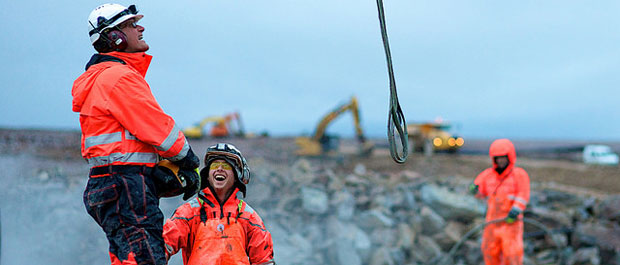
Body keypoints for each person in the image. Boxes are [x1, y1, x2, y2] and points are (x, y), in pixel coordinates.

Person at [72, 4, 200, 265]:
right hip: (126, 185)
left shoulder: (98, 77)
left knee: (127, 257)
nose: (140, 27)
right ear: (114, 37)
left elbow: (124, 142)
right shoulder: (119, 77)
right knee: (145, 258)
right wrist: (188, 159)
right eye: (131, 25)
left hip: (109, 183)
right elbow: (157, 128)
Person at [163, 143, 275, 265]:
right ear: (208, 175)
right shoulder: (189, 213)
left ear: (237, 175)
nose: (219, 168)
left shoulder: (248, 217)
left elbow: (264, 260)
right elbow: (162, 246)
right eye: (215, 165)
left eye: (226, 165)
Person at [469, 139, 530, 265]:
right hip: (492, 222)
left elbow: (523, 195)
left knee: (512, 254)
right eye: (498, 158)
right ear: (494, 159)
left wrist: (515, 210)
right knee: (489, 252)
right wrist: (474, 190)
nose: (501, 160)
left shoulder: (519, 175)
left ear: (509, 157)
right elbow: (480, 192)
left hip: (511, 223)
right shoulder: (488, 175)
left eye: (503, 157)